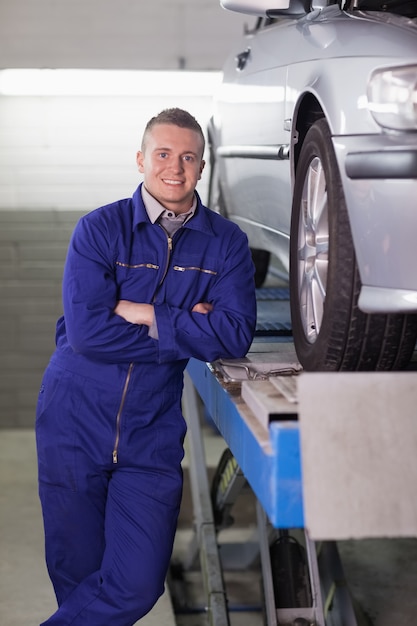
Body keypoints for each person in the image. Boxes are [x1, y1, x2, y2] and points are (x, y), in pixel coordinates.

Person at [35, 107, 257, 626]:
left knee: (134, 586)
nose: (174, 167)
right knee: (79, 581)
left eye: (188, 157)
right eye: (163, 154)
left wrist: (142, 313)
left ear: (203, 166)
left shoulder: (226, 244)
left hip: (150, 433)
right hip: (73, 418)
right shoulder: (99, 229)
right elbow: (88, 335)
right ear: (140, 159)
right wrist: (184, 328)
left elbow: (233, 336)